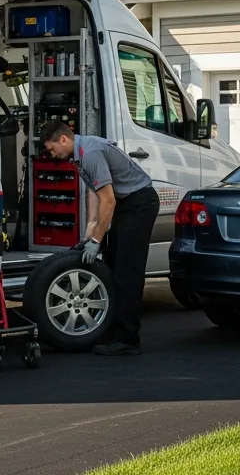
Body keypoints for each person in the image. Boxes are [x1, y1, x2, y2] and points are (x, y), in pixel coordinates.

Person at [41, 122, 160, 355]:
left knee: (127, 272)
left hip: (140, 204)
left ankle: (128, 339)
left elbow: (108, 200)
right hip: (125, 204)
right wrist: (92, 228)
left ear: (63, 139)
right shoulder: (80, 155)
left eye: (52, 149)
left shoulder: (91, 153)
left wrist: (96, 242)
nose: (52, 154)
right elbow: (94, 191)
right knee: (112, 266)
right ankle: (112, 331)